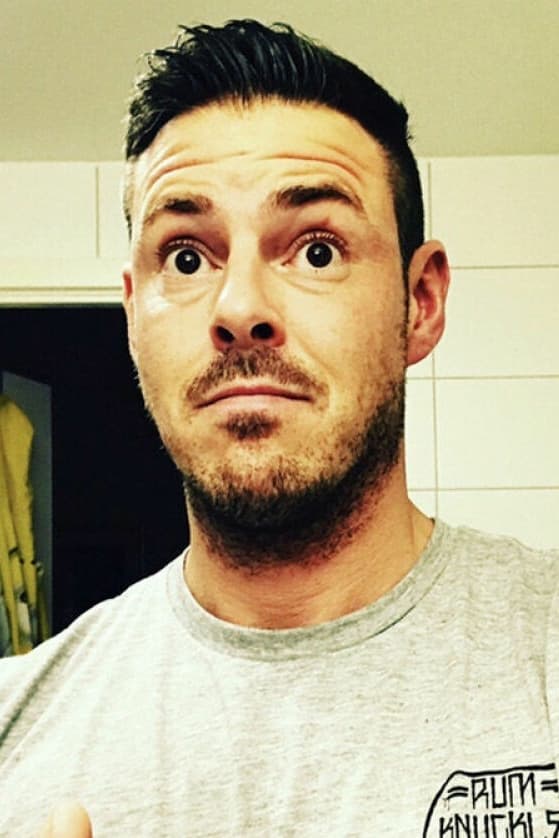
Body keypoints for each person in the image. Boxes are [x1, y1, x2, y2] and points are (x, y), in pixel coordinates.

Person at [1, 19, 558, 837]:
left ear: (420, 303)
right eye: (186, 257)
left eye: (318, 251)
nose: (239, 308)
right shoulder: (16, 729)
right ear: (133, 315)